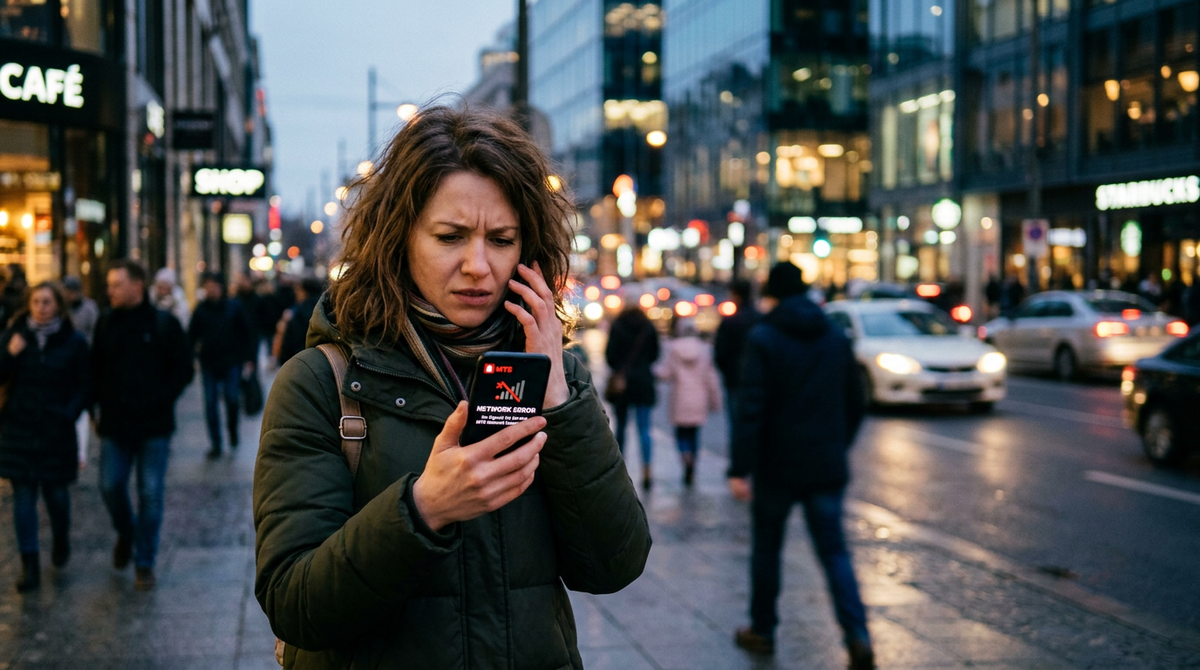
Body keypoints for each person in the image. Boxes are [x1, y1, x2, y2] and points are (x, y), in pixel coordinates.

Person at [252, 105, 651, 669]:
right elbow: (295, 605)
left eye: (502, 239)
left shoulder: (549, 373)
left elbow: (616, 563)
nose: (478, 266)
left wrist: (560, 402)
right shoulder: (322, 383)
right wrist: (422, 509)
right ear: (400, 239)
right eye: (450, 236)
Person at [728, 262, 873, 670]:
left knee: (767, 549)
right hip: (825, 463)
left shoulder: (765, 337)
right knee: (834, 552)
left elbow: (750, 409)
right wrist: (836, 444)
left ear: (773, 292)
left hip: (778, 466)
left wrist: (740, 467)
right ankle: (857, 635)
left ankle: (763, 629)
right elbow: (856, 402)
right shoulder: (834, 335)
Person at [93, 259, 194, 590]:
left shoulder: (163, 323)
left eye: (116, 284)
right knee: (110, 486)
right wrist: (95, 407)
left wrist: (161, 397)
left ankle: (144, 561)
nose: (110, 291)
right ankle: (126, 532)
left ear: (137, 285)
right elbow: (95, 367)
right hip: (115, 424)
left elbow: (184, 369)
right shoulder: (105, 322)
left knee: (150, 493)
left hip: (153, 425)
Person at [0, 283, 90, 591]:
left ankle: (61, 538)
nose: (41, 307)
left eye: (47, 302)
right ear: (28, 305)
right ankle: (29, 565)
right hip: (19, 429)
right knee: (23, 497)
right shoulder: (14, 336)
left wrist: (70, 412)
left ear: (58, 306)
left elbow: (84, 384)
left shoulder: (73, 341)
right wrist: (10, 355)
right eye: (36, 301)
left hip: (56, 430)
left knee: (56, 495)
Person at [189, 272, 257, 459]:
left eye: (214, 286)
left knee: (232, 399)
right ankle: (216, 443)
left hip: (232, 362)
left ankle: (233, 433)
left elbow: (247, 333)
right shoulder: (201, 309)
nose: (211, 290)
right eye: (208, 286)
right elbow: (192, 335)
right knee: (210, 404)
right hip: (209, 363)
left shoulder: (234, 307)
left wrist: (249, 358)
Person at [657, 318, 722, 486]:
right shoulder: (705, 350)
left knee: (681, 433)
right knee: (694, 433)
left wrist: (653, 372)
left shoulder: (674, 349)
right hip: (698, 398)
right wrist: (715, 401)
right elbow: (711, 378)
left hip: (680, 397)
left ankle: (684, 456)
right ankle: (692, 460)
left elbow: (666, 373)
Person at [604, 304, 660, 488]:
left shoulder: (618, 325)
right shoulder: (648, 327)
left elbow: (610, 356)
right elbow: (655, 354)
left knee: (620, 427)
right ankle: (647, 470)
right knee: (644, 428)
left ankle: (619, 470)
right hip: (643, 382)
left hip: (623, 385)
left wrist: (621, 368)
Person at [714, 279, 759, 455]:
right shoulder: (759, 318)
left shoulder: (731, 321)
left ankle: (738, 456)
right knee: (754, 420)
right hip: (754, 379)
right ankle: (751, 455)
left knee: (736, 422)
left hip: (734, 378)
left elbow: (720, 351)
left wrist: (726, 371)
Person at [62, 275, 99, 469]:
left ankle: (81, 452)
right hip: (66, 364)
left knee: (84, 409)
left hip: (83, 361)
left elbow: (95, 331)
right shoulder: (61, 310)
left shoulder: (89, 308)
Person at [273, 276, 323, 365]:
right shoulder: (325, 309)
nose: (296, 293)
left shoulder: (298, 312)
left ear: (304, 291)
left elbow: (293, 339)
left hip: (299, 360)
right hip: (320, 359)